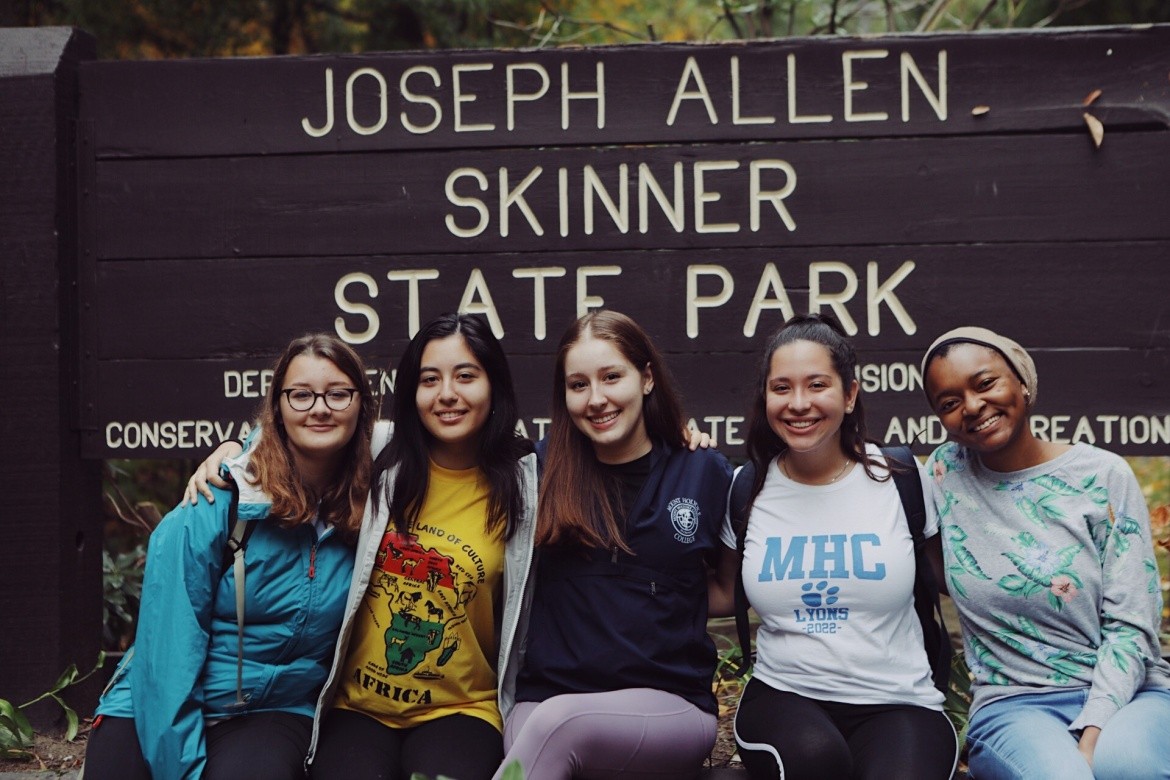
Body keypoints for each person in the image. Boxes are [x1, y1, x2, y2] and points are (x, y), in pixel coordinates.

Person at [187, 313, 539, 780]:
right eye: (429, 379)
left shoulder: (526, 482)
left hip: (462, 710)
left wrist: (669, 438)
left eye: (466, 376)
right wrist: (234, 450)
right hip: (357, 708)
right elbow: (294, 432)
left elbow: (599, 453)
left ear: (494, 386)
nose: (447, 394)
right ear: (412, 393)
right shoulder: (379, 453)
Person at [85, 333, 376, 780]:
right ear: (277, 407)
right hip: (155, 700)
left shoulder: (375, 500)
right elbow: (167, 657)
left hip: (273, 709)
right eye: (300, 395)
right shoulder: (219, 499)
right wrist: (181, 769)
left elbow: (451, 435)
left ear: (362, 404)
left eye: (339, 393)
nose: (320, 407)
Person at [707, 313, 958, 780]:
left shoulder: (902, 478)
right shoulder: (746, 487)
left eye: (816, 384)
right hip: (786, 694)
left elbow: (954, 578)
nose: (798, 403)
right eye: (781, 388)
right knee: (814, 760)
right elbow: (723, 592)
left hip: (898, 700)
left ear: (849, 394)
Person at [492, 309, 734, 780]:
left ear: (646, 379)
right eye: (578, 385)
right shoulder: (536, 472)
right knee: (546, 730)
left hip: (669, 704)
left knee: (558, 731)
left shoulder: (702, 471)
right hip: (547, 699)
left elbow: (725, 589)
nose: (596, 399)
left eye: (611, 377)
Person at [921, 326, 1170, 780]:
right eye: (949, 403)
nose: (972, 407)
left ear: (1021, 380)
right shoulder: (943, 474)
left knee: (1128, 768)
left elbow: (1134, 624)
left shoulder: (1102, 476)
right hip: (1013, 704)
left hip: (1130, 692)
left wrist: (1093, 734)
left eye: (985, 384)